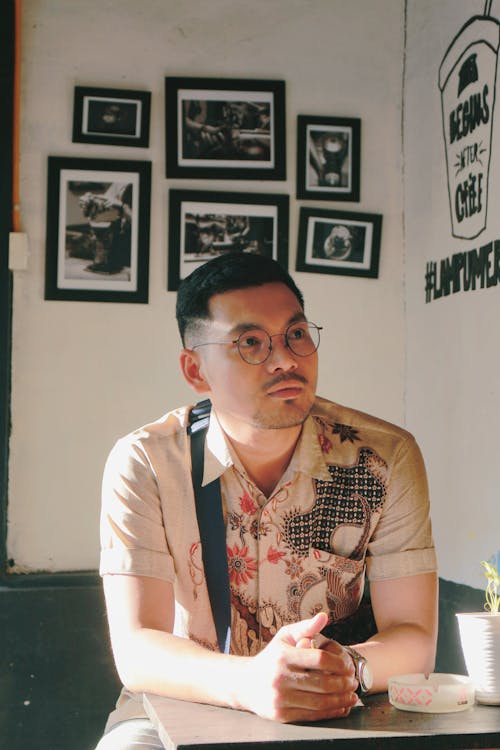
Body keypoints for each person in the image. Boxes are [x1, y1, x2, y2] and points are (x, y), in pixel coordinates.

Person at [96, 252, 438, 750]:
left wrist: (348, 667)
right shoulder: (146, 463)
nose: (285, 359)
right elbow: (137, 647)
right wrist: (249, 683)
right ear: (195, 370)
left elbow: (414, 636)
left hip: (335, 707)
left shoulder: (382, 458)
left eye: (296, 334)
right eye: (250, 343)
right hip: (183, 706)